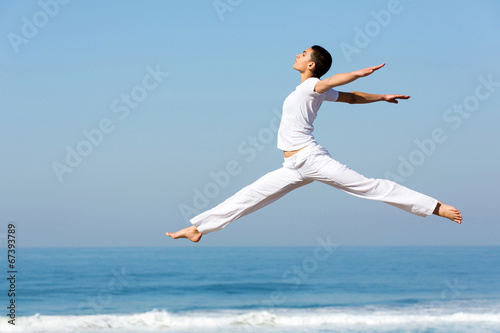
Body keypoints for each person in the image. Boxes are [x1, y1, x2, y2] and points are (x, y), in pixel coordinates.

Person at [166, 45, 462, 243]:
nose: (297, 55)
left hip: (312, 159)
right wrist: (382, 96)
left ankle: (435, 207)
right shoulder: (311, 91)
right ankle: (198, 228)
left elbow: (338, 83)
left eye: (303, 53)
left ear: (310, 64)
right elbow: (352, 97)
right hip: (293, 165)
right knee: (251, 195)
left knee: (369, 187)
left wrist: (358, 73)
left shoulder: (313, 85)